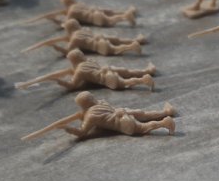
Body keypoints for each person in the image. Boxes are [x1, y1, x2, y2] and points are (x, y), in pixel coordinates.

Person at [24, 92, 176, 140]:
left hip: (123, 123)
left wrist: (67, 128)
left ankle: (164, 123)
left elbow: (83, 132)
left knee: (142, 127)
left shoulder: (90, 116)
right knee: (145, 114)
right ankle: (166, 112)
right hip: (124, 111)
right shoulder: (102, 103)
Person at [19, 49, 155, 91]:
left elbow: (73, 85)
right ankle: (146, 71)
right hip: (109, 70)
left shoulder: (79, 71)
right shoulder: (88, 62)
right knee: (128, 71)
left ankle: (143, 80)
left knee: (126, 82)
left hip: (107, 80)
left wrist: (58, 81)